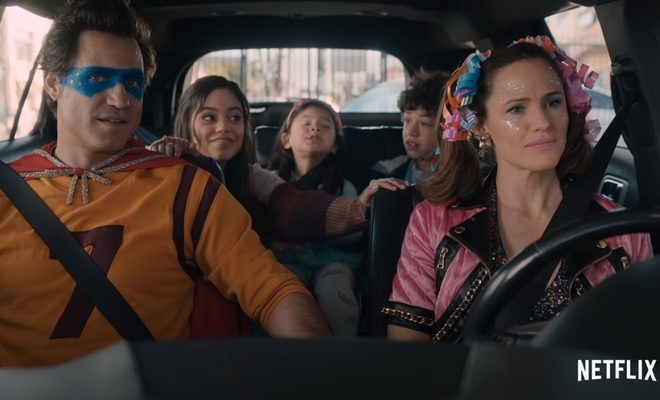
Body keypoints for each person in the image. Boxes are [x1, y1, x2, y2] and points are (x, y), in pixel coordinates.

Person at [0, 0, 332, 367]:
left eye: (132, 83)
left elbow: (273, 289)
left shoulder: (187, 188)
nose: (121, 99)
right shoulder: (7, 191)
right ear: (53, 83)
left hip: (141, 387)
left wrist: (326, 369)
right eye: (97, 79)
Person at [383, 36, 653, 342]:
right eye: (516, 109)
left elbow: (641, 350)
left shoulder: (623, 230)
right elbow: (407, 353)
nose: (542, 122)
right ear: (480, 126)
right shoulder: (434, 222)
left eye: (553, 102)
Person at [157, 75, 407, 242]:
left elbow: (295, 205)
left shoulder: (253, 176)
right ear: (186, 122)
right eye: (209, 117)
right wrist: (160, 158)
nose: (223, 127)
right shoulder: (164, 164)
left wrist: (360, 207)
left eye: (235, 118)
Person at [268, 99, 361, 336]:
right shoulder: (270, 182)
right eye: (306, 123)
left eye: (324, 126)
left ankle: (341, 351)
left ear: (334, 146)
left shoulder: (343, 187)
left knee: (335, 287)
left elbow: (354, 232)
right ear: (286, 139)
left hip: (332, 259)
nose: (314, 128)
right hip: (284, 257)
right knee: (282, 288)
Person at [370, 70, 448, 185]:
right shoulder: (386, 172)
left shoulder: (466, 178)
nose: (410, 131)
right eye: (407, 120)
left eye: (424, 123)